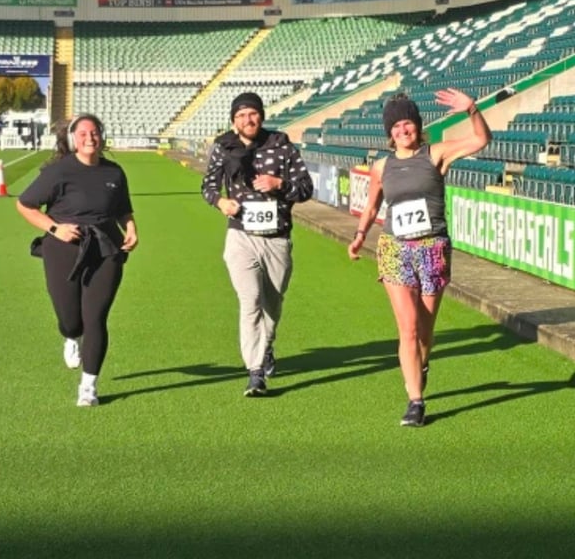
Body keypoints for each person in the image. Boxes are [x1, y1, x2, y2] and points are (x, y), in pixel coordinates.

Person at [348, 88, 492, 427]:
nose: (402, 130)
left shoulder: (436, 154)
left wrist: (471, 109)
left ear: (417, 125)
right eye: (395, 126)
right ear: (389, 133)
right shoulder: (381, 165)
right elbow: (372, 206)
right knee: (408, 328)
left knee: (425, 331)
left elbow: (482, 139)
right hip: (395, 249)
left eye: (407, 123)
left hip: (432, 248)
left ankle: (421, 365)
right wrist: (359, 236)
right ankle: (415, 400)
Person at [16, 114, 138, 407]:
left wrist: (131, 228)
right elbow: (25, 204)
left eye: (94, 132)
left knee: (95, 317)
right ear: (73, 139)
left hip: (106, 248)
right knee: (71, 320)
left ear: (102, 136)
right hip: (63, 248)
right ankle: (71, 337)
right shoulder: (58, 171)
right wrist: (55, 228)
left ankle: (88, 386)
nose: (89, 138)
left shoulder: (114, 173)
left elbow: (123, 208)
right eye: (83, 133)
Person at [201, 91, 314, 397]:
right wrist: (221, 202)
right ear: (233, 120)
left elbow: (306, 188)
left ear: (261, 116)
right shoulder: (224, 147)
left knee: (272, 306)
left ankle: (266, 346)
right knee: (249, 301)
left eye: (252, 114)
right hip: (240, 237)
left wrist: (280, 185)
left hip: (277, 238)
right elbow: (208, 186)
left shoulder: (281, 144)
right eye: (240, 116)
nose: (247, 120)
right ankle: (255, 372)